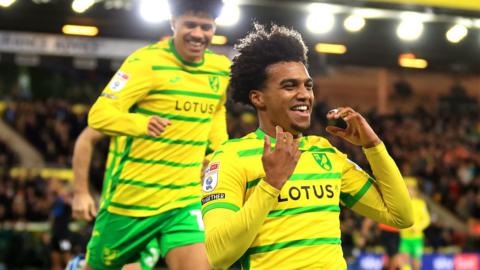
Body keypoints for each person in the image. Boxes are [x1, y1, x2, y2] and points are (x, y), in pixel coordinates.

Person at [201, 23, 414, 269]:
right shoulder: (230, 157)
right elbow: (215, 255)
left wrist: (374, 146)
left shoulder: (324, 153)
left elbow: (401, 216)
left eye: (308, 85)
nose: (305, 95)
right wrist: (271, 185)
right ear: (258, 98)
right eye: (289, 86)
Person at [86, 0, 230, 268]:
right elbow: (98, 114)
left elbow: (215, 110)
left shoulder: (220, 69)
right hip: (131, 202)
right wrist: (141, 124)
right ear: (173, 22)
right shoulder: (145, 62)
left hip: (184, 199)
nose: (198, 34)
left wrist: (218, 152)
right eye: (190, 25)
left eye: (206, 27)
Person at [71, 127, 161, 270]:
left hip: (164, 209)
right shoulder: (128, 107)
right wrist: (81, 192)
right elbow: (86, 138)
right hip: (123, 211)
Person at [398, 177, 430, 270]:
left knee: (416, 263)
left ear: (415, 190)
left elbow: (426, 220)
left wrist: (417, 227)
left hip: (417, 238)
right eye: (407, 188)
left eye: (411, 189)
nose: (409, 191)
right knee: (404, 262)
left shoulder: (420, 203)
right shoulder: (402, 203)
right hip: (404, 237)